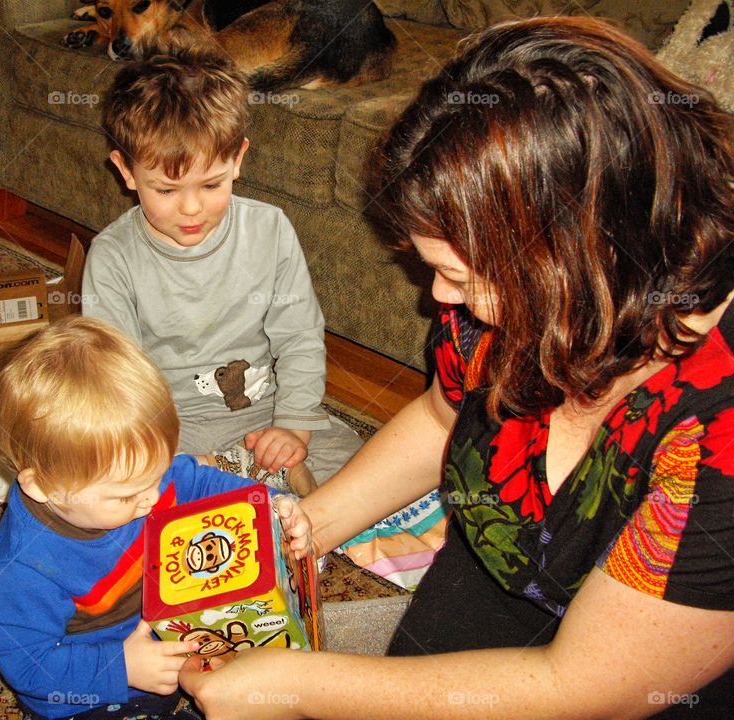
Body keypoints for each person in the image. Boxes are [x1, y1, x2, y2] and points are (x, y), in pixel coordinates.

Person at [178, 16, 734, 719]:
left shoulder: (718, 428)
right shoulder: (510, 303)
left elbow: (586, 688)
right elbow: (444, 417)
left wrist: (299, 688)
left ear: (575, 255)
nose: (441, 297)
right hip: (501, 572)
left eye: (460, 274)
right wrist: (307, 529)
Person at [0, 316, 311, 720]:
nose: (153, 498)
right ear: (45, 487)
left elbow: (199, 482)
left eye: (157, 472)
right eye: (126, 495)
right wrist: (120, 666)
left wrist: (272, 505)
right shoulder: (24, 568)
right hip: (87, 693)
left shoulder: (136, 478)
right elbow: (30, 665)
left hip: (168, 637)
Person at [80, 50, 365, 490]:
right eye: (166, 189)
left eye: (211, 184)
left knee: (370, 480)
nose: (191, 208)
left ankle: (249, 479)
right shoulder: (112, 256)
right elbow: (117, 379)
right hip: (168, 425)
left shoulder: (270, 229)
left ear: (238, 159)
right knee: (104, 486)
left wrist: (292, 428)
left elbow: (299, 337)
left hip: (263, 409)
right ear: (126, 170)